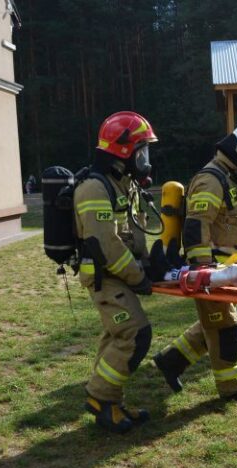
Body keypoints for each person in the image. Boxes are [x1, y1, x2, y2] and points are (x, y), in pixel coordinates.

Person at [152, 124, 237, 404]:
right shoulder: (212, 179)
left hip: (224, 272)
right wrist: (202, 271)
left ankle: (171, 361)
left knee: (214, 324)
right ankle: (233, 388)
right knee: (226, 330)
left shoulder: (228, 178)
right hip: (210, 273)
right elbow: (196, 227)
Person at [75, 111, 157, 433]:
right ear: (124, 151)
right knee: (135, 334)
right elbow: (105, 245)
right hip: (104, 276)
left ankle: (110, 401)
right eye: (142, 151)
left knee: (116, 335)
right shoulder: (94, 188)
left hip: (117, 275)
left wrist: (150, 263)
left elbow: (133, 234)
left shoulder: (122, 184)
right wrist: (139, 278)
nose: (145, 159)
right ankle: (101, 399)